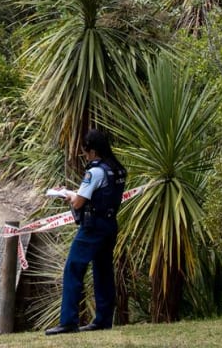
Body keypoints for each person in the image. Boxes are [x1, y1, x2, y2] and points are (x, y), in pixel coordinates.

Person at [45, 129, 127, 335]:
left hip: (93, 227)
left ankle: (68, 321)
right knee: (103, 271)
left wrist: (67, 193)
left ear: (92, 151)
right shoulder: (117, 169)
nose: (85, 155)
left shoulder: (95, 172)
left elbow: (80, 201)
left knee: (73, 268)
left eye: (86, 152)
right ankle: (103, 320)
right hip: (110, 226)